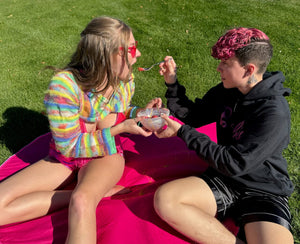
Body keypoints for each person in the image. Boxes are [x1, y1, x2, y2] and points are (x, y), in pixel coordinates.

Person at [0, 16, 160, 244]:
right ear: (110, 54)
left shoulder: (124, 82)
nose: (139, 55)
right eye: (132, 49)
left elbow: (121, 110)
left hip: (105, 155)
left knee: (82, 201)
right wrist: (120, 128)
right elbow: (69, 146)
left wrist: (139, 113)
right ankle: (96, 193)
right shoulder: (64, 85)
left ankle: (86, 192)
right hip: (66, 157)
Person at [153, 28, 294, 244]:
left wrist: (182, 132)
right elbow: (194, 116)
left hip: (263, 190)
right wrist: (172, 83)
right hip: (224, 181)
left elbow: (235, 163)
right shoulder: (228, 90)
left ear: (249, 69)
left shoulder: (274, 113)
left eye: (226, 64)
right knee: (166, 199)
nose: (219, 68)